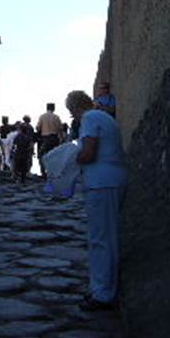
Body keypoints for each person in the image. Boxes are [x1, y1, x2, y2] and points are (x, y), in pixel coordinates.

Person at [65, 89, 127, 310]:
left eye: (71, 112)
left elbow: (89, 153)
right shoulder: (104, 117)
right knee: (106, 237)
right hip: (111, 180)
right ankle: (105, 287)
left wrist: (69, 158)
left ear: (75, 107)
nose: (73, 117)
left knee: (101, 239)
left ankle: (102, 294)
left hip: (102, 184)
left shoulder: (90, 118)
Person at [35, 103, 64, 178]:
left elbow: (38, 128)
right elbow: (60, 128)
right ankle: (53, 172)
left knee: (41, 155)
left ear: (46, 108)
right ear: (53, 108)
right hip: (54, 138)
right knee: (54, 156)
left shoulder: (42, 116)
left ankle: (43, 172)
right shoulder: (56, 117)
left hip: (45, 138)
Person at [11, 116, 35, 183]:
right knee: (24, 166)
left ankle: (16, 178)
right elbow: (31, 143)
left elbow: (14, 144)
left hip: (18, 152)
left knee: (17, 166)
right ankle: (23, 178)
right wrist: (31, 150)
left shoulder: (17, 136)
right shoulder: (29, 132)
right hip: (25, 152)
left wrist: (12, 151)